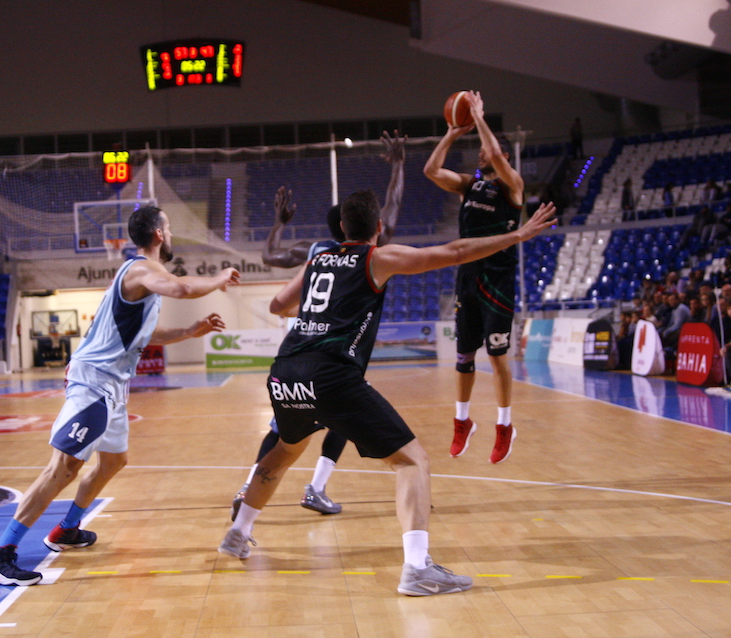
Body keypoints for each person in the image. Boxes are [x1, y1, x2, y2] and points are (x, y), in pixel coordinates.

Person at [217, 190, 557, 597]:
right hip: (331, 374)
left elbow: (277, 305)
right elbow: (455, 251)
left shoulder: (317, 260)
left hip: (286, 372)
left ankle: (238, 533)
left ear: (342, 227)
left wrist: (314, 312)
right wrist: (518, 235)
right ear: (378, 227)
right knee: (412, 461)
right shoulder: (376, 258)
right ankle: (417, 568)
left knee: (284, 452)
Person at [0, 205, 240, 586]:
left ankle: (67, 529)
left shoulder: (142, 277)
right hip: (94, 380)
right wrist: (220, 277)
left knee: (114, 461)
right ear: (159, 234)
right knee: (64, 467)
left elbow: (144, 334)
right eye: (168, 228)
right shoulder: (140, 269)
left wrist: (188, 332)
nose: (171, 234)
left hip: (114, 383)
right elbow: (183, 288)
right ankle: (1, 553)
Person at [231, 130, 408, 518]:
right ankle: (315, 487)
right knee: (343, 411)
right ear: (366, 227)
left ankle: (249, 489)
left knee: (285, 430)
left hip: (299, 346)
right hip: (331, 353)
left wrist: (279, 223)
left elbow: (269, 255)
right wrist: (398, 165)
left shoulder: (315, 252)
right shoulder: (367, 254)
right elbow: (392, 209)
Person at [423, 90, 526, 464]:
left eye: (487, 148)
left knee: (497, 357)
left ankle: (504, 425)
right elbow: (431, 171)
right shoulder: (470, 185)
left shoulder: (512, 187)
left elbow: (495, 153)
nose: (482, 152)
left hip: (498, 282)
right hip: (468, 278)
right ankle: (462, 421)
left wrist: (479, 116)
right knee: (464, 357)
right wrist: (453, 132)